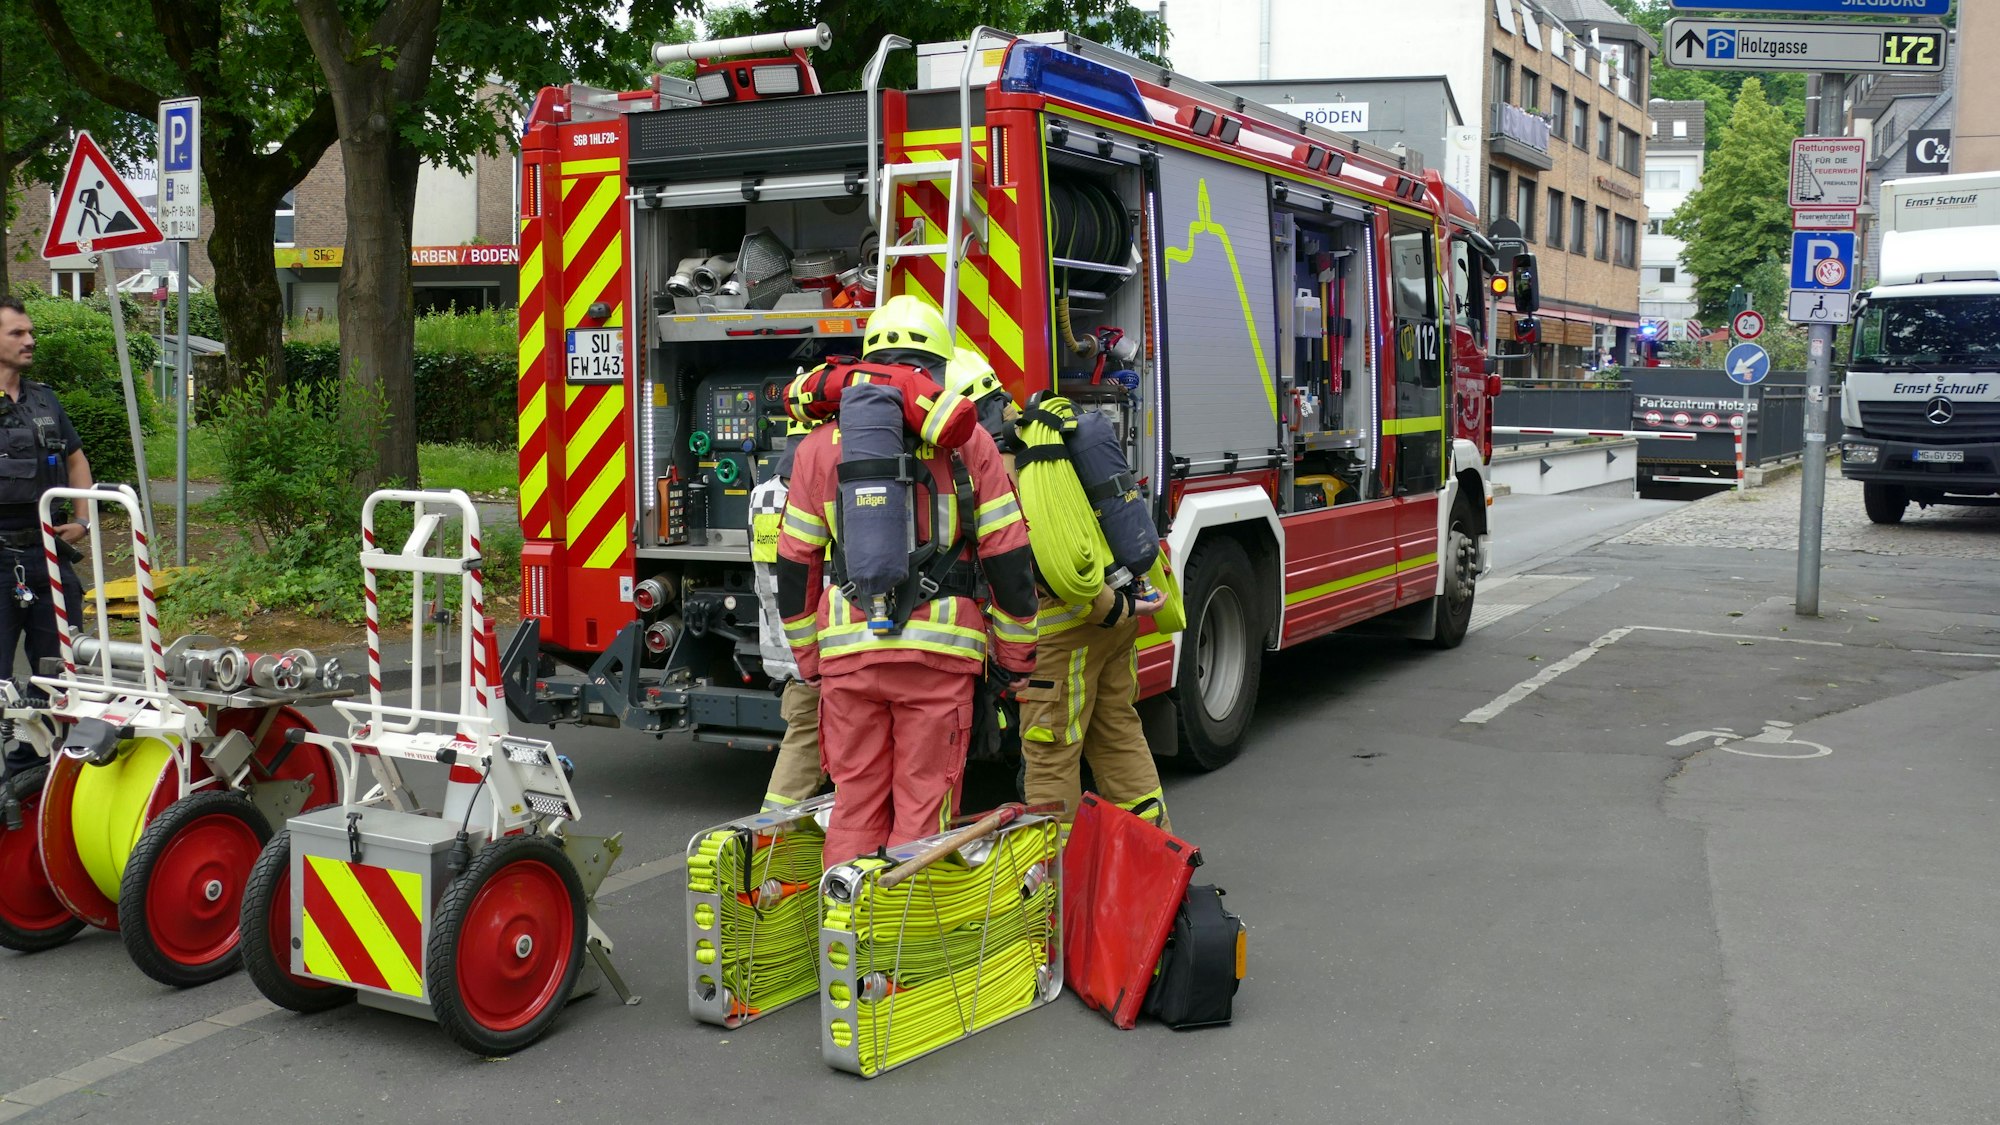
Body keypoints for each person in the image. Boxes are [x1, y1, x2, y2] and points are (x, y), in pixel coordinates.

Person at [776, 297, 1038, 866]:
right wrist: (1016, 658)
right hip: (939, 659)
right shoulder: (968, 442)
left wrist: (810, 658)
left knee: (853, 809)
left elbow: (796, 561)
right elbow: (1007, 554)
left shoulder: (818, 447)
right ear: (937, 373)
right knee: (922, 818)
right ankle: (903, 948)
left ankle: (843, 941)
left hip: (847, 655)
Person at [941, 349, 1172, 832]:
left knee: (1050, 759)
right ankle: (1154, 860)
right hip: (1114, 620)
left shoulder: (999, 465)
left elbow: (1034, 563)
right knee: (1119, 739)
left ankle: (1056, 889)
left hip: (1065, 633)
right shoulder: (1041, 436)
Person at [0, 295, 93, 776]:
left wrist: (83, 517)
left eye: (30, 332)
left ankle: (34, 767)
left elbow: (75, 458)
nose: (30, 340)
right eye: (17, 333)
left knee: (57, 667)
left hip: (45, 552)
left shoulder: (44, 400)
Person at [751, 416, 826, 811]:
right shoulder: (824, 490)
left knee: (802, 744)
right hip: (823, 652)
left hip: (784, 653)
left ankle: (773, 839)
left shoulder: (761, 496)